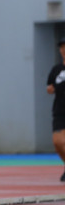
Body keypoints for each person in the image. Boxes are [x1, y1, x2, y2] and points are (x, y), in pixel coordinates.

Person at [47, 36, 65, 181]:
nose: (64, 49)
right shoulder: (56, 69)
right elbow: (49, 87)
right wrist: (50, 89)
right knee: (57, 142)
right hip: (59, 110)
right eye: (62, 47)